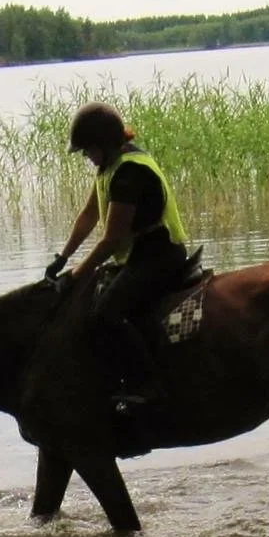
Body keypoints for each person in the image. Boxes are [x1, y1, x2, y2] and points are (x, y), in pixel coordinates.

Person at [44, 102, 189, 405]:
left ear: (104, 145)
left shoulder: (129, 173)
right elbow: (88, 216)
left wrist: (75, 275)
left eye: (87, 150)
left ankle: (145, 384)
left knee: (106, 314)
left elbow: (111, 239)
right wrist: (62, 257)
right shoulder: (108, 168)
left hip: (159, 255)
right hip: (138, 256)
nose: (85, 156)